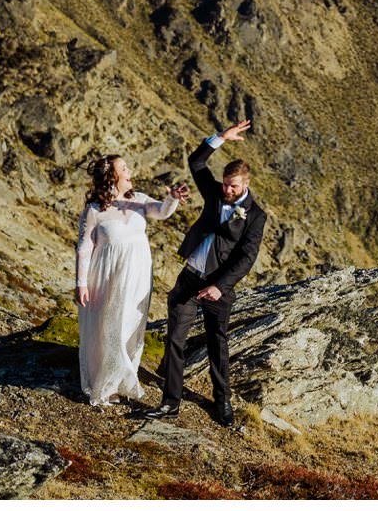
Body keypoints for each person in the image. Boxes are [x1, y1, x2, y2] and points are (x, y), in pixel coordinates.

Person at [143, 120, 267, 426]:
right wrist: (221, 138)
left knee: (217, 344)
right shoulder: (213, 193)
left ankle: (222, 402)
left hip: (217, 289)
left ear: (245, 185)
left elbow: (246, 257)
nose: (226, 189)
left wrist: (220, 287)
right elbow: (196, 162)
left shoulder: (256, 216)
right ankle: (170, 403)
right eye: (225, 183)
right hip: (189, 279)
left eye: (233, 186)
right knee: (174, 340)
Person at [74, 155, 188, 407]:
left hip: (137, 274)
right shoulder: (94, 210)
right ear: (111, 177)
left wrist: (173, 199)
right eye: (124, 168)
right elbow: (84, 248)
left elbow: (161, 212)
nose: (130, 170)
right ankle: (107, 383)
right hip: (106, 275)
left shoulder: (139, 200)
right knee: (109, 326)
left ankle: (123, 377)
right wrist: (80, 283)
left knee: (130, 323)